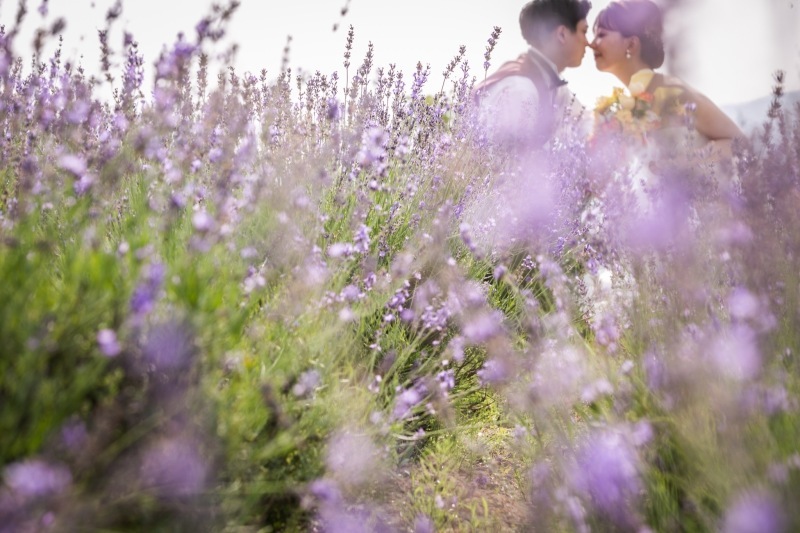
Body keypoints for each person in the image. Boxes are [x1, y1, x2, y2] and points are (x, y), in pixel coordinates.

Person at [589, 0, 743, 156]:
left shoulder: (673, 92)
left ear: (631, 44)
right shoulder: (621, 110)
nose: (592, 43)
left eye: (601, 35)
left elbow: (740, 143)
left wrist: (684, 161)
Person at [474, 0, 593, 150]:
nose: (588, 43)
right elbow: (508, 159)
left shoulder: (552, 84)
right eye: (584, 31)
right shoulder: (521, 90)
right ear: (562, 34)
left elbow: (586, 123)